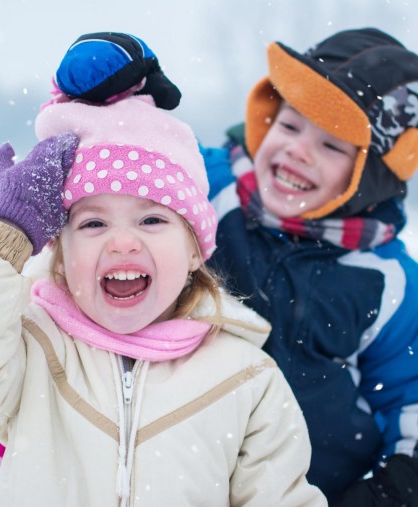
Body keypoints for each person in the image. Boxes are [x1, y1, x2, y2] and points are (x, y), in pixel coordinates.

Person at [0, 33, 327, 507]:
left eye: (152, 219)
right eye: (93, 222)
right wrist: (11, 230)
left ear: (196, 250)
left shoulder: (247, 379)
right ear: (61, 254)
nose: (123, 241)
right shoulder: (28, 349)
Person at [202, 27, 418, 506]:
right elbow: (118, 155)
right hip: (183, 477)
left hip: (313, 492)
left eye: (332, 145)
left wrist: (382, 494)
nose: (298, 150)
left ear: (371, 180)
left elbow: (410, 408)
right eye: (291, 124)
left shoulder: (390, 283)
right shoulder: (204, 189)